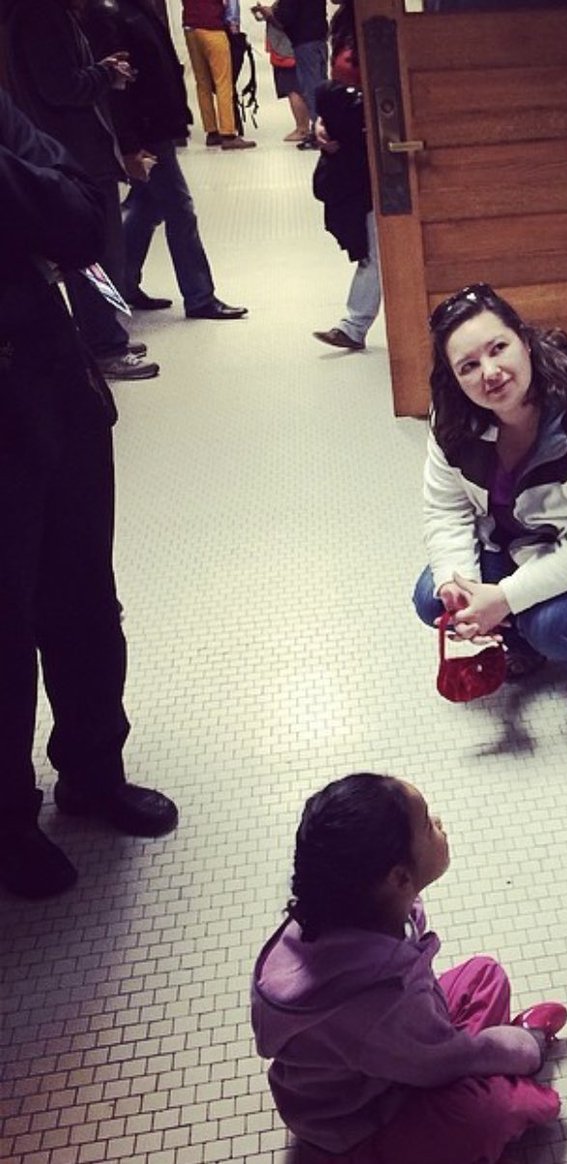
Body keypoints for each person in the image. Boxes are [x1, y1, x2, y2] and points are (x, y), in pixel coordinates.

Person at [0, 88, 179, 900]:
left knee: (83, 603)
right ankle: (7, 824)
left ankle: (94, 773)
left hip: (53, 391)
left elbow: (82, 218)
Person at [251, 772, 567, 1163]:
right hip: (361, 1122)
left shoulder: (340, 910)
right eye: (427, 824)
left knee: (486, 975)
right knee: (504, 1111)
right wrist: (526, 1051)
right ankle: (511, 1062)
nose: (439, 824)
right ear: (399, 877)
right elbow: (439, 1061)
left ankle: (490, 1061)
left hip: (391, 1050)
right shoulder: (381, 1000)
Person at [411, 285, 567, 707]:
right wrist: (459, 588)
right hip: (510, 543)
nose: (489, 373)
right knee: (433, 596)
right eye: (468, 366)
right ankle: (519, 640)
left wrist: (503, 599)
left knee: (554, 626)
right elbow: (447, 510)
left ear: (524, 338)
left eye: (498, 348)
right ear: (453, 377)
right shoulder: (451, 415)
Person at [4, 0, 160, 381]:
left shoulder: (35, 15)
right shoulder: (42, 16)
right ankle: (105, 344)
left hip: (73, 151)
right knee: (94, 254)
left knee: (98, 252)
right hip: (74, 152)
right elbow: (61, 87)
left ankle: (107, 334)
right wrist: (105, 73)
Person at [82, 0, 250, 321]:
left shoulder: (138, 9)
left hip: (157, 124)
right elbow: (119, 88)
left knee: (148, 206)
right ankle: (200, 297)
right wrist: (130, 146)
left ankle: (125, 284)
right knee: (179, 209)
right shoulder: (110, 16)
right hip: (146, 130)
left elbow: (163, 68)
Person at [311, 0, 379, 351]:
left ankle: (354, 326)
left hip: (376, 152)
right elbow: (337, 84)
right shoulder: (343, 21)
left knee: (376, 247)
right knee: (372, 244)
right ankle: (354, 325)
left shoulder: (379, 17)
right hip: (349, 156)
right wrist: (321, 122)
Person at [252, 0, 328, 150]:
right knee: (321, 86)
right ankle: (325, 129)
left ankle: (319, 133)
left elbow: (284, 19)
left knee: (311, 89)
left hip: (304, 43)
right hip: (319, 40)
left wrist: (269, 14)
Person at [181, 0, 256, 149]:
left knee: (202, 83)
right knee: (223, 82)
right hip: (212, 28)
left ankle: (211, 131)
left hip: (190, 29)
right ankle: (228, 134)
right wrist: (234, 28)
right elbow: (230, 5)